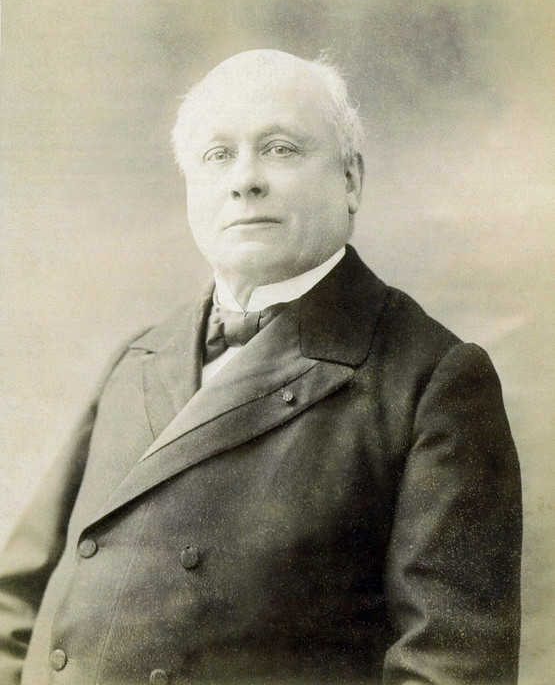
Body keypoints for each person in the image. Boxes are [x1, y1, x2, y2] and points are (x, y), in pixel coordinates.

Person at [0, 50, 522, 685]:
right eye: (218, 155)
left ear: (351, 180)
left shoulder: (433, 381)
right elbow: (17, 598)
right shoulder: (138, 358)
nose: (244, 180)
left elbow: (448, 670)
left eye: (279, 149)